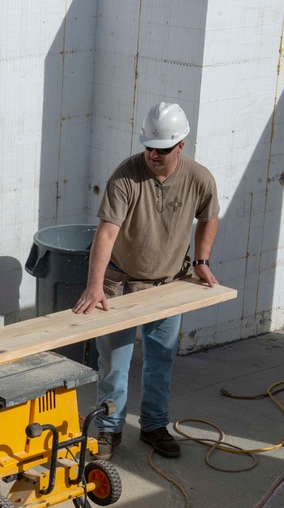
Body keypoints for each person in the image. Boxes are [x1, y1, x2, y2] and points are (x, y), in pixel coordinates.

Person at [72, 102, 220, 460]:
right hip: (120, 286)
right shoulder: (125, 177)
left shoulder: (199, 178)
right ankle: (108, 431)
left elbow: (209, 216)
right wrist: (95, 284)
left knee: (161, 361)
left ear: (180, 145)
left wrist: (201, 261)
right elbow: (106, 233)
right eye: (149, 147)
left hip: (169, 286)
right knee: (114, 365)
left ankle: (154, 426)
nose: (153, 154)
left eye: (163, 149)